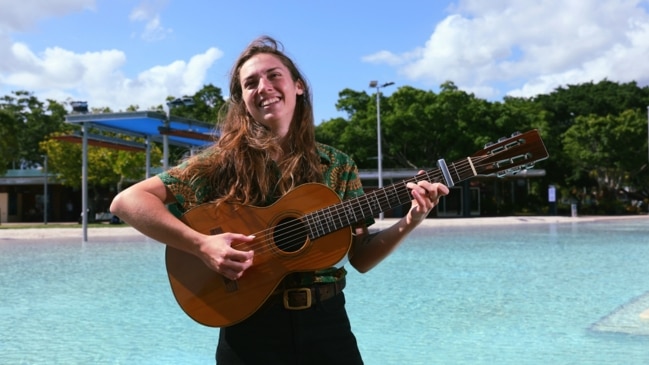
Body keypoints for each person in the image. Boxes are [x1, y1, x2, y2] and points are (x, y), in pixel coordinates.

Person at [110, 35, 448, 365]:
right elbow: (128, 201)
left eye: (274, 75)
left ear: (298, 86)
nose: (264, 87)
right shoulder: (220, 163)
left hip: (327, 326)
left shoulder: (338, 165)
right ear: (242, 100)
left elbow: (360, 258)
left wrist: (410, 220)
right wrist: (202, 245)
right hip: (249, 330)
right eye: (251, 82)